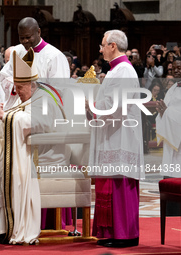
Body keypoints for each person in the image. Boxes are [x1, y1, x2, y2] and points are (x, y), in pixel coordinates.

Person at [0, 48, 66, 244]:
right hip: (27, 152)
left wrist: (5, 115)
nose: (16, 92)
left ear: (31, 84)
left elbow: (36, 123)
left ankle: (14, 229)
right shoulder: (29, 99)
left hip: (44, 155)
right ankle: (3, 229)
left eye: (20, 88)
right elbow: (17, 119)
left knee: (9, 179)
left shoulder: (45, 99)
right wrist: (1, 116)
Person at [86, 30, 144, 248]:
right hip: (111, 135)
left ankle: (124, 235)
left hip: (120, 138)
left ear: (112, 45)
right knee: (109, 185)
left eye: (102, 45)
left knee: (118, 187)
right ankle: (109, 233)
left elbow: (118, 107)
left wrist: (91, 105)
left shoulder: (124, 71)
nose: (100, 49)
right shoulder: (115, 71)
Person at [0, 17, 70, 110]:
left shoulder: (55, 56)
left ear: (39, 32)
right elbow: (5, 76)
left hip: (41, 109)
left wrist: (32, 90)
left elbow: (59, 89)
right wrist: (19, 86)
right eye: (22, 38)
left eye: (28, 37)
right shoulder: (17, 51)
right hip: (17, 106)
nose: (25, 41)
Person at [156, 57, 181, 178]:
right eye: (174, 68)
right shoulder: (173, 87)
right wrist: (162, 114)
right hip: (171, 134)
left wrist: (167, 112)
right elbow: (166, 110)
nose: (176, 71)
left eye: (179, 68)